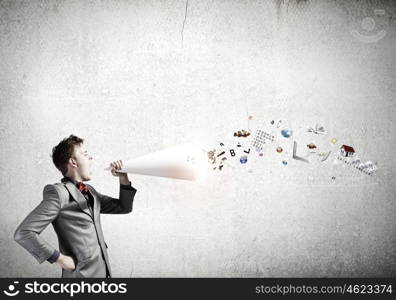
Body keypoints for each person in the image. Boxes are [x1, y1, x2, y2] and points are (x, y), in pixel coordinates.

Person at [14, 135, 137, 278]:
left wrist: (123, 178)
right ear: (73, 162)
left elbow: (124, 207)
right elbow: (24, 232)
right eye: (85, 154)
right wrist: (59, 258)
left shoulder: (90, 191)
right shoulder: (58, 193)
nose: (90, 158)